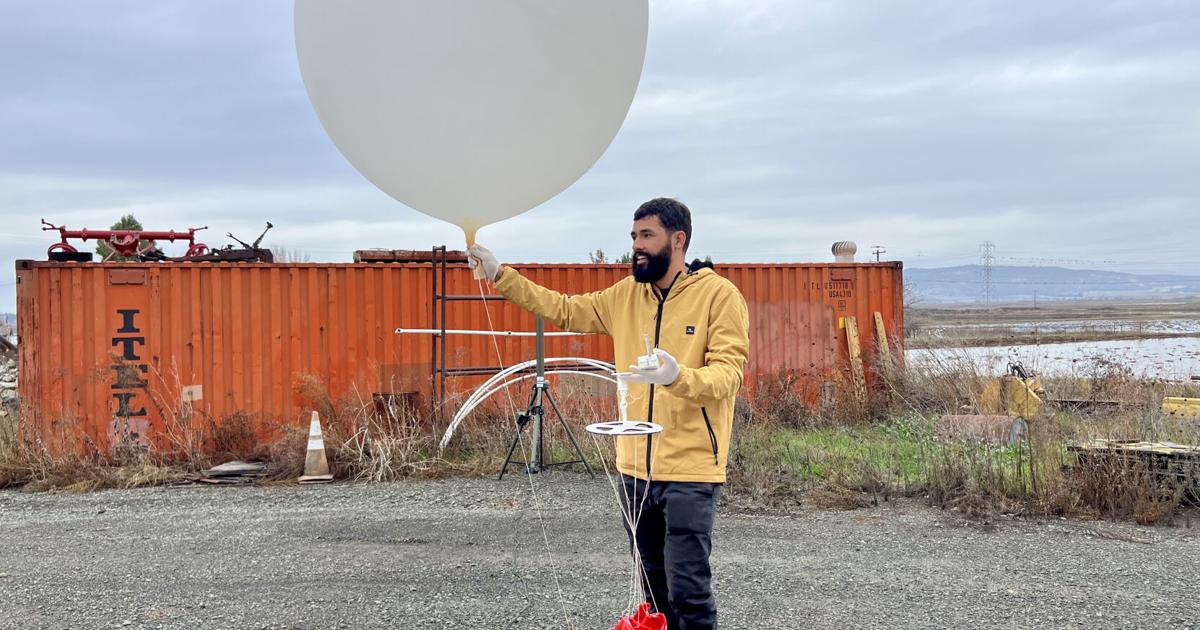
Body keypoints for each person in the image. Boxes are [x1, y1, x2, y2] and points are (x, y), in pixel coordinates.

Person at [468, 197, 749, 630]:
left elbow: (728, 376)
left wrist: (678, 376)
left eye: (646, 236)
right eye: (634, 236)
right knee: (653, 589)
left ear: (679, 240)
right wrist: (501, 276)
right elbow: (563, 308)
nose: (636, 245)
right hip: (634, 468)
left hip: (691, 468)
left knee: (688, 589)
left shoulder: (719, 296)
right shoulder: (625, 294)